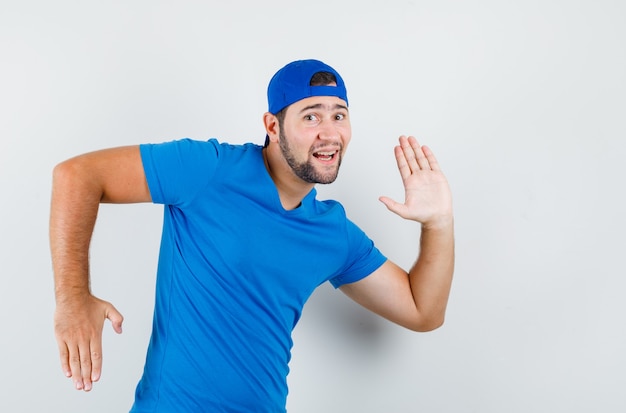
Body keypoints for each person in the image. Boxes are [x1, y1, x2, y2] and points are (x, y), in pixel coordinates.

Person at [50, 59, 455, 412]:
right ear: (272, 126)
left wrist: (437, 222)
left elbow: (423, 311)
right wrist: (73, 299)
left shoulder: (334, 233)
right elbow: (77, 175)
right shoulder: (207, 169)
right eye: (311, 116)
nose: (329, 133)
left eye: (339, 115)